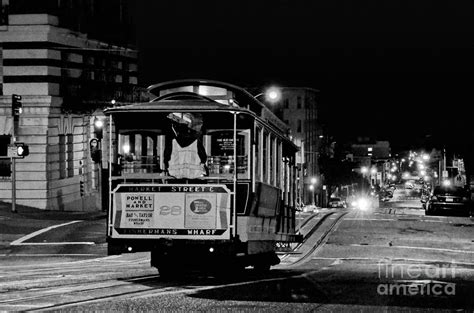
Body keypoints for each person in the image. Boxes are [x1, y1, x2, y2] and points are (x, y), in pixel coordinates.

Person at [163, 112, 208, 178]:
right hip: (194, 175)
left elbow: (166, 158)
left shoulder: (173, 142)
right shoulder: (196, 142)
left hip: (175, 175)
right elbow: (204, 158)